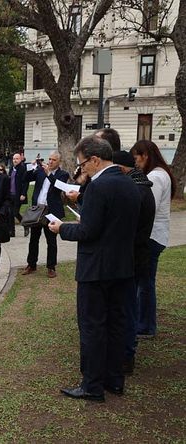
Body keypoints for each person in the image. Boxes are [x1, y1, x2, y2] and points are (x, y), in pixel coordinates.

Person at [49, 135, 140, 402]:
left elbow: (89, 231)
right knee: (115, 325)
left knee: (92, 326)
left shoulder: (100, 186)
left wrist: (61, 228)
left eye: (82, 164)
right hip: (122, 266)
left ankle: (92, 385)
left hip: (96, 268)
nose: (82, 170)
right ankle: (114, 380)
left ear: (95, 159)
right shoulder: (129, 183)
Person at [112, 150, 155, 375]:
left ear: (121, 169)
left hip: (132, 257)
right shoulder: (141, 186)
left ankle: (126, 356)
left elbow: (126, 226)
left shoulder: (136, 191)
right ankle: (125, 354)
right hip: (135, 254)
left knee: (126, 308)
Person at [130, 140, 175, 339]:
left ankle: (145, 325)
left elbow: (148, 206)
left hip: (151, 236)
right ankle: (144, 323)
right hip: (156, 234)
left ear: (145, 155)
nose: (135, 162)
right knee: (145, 281)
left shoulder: (155, 176)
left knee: (145, 282)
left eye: (136, 158)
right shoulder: (160, 173)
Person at [20, 151, 70, 279]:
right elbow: (25, 178)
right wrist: (32, 167)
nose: (50, 162)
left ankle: (51, 267)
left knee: (51, 240)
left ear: (59, 162)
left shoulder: (63, 174)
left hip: (51, 211)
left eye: (53, 160)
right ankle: (31, 264)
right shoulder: (41, 171)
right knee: (34, 239)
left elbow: (59, 187)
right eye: (49, 159)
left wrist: (49, 174)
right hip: (38, 210)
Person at [9, 153, 29, 237]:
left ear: (20, 159)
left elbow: (25, 182)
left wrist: (23, 193)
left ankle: (25, 225)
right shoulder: (11, 168)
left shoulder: (22, 168)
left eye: (17, 159)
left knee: (15, 212)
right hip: (10, 194)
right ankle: (11, 232)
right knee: (10, 213)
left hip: (18, 194)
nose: (15, 160)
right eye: (14, 159)